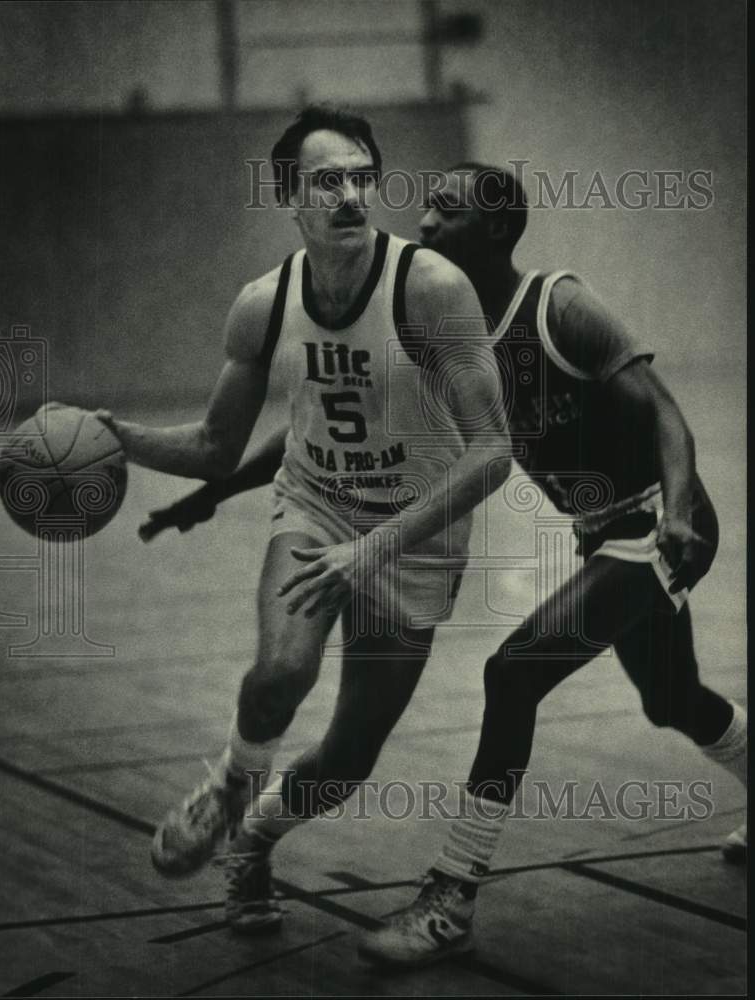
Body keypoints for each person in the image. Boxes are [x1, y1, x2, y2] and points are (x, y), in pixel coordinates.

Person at [144, 162, 747, 964]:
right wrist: (213, 492)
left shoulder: (559, 306)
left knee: (515, 672)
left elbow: (665, 414)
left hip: (661, 522)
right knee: (673, 700)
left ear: (497, 229)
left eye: (446, 210)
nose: (424, 222)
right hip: (603, 532)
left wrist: (676, 512)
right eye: (426, 207)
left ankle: (452, 896)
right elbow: (311, 432)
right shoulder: (437, 331)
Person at [97, 110, 512, 933]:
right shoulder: (263, 302)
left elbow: (493, 451)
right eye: (329, 180)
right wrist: (120, 440)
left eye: (363, 176)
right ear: (290, 194)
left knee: (349, 758)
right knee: (283, 673)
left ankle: (253, 842)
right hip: (316, 507)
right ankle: (232, 780)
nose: (352, 194)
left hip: (415, 534)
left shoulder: (430, 287)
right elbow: (219, 445)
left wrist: (378, 548)